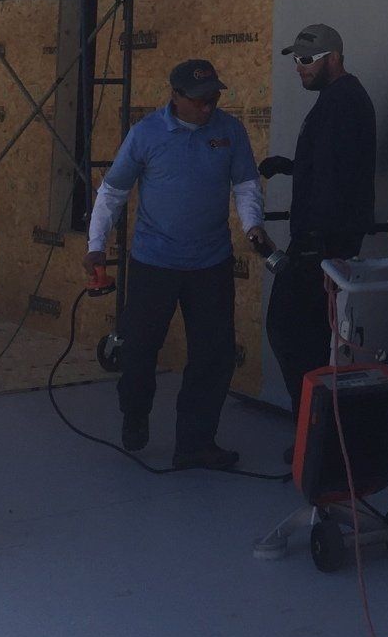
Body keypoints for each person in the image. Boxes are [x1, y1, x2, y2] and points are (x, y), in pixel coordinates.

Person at [84, 58, 264, 470]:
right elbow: (113, 192)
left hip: (211, 263)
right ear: (176, 97)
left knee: (213, 355)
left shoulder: (229, 131)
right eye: (200, 100)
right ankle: (135, 412)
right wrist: (96, 244)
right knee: (139, 349)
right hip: (154, 263)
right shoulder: (146, 134)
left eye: (214, 98)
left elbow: (246, 184)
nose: (208, 107)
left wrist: (253, 226)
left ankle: (196, 443)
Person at [250, 23, 376, 410]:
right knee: (304, 335)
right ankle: (316, 430)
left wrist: (324, 247)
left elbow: (342, 178)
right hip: (321, 241)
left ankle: (314, 427)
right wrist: (291, 166)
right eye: (297, 61)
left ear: (333, 58)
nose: (300, 68)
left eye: (307, 60)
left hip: (322, 243)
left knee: (289, 331)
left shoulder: (344, 101)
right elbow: (331, 164)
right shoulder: (338, 99)